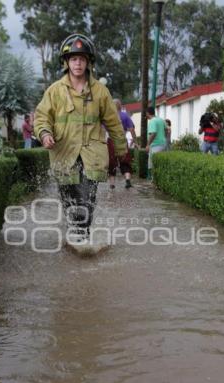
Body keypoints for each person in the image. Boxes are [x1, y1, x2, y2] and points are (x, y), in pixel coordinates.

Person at [34, 33, 127, 241]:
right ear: (66, 62)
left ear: (88, 63)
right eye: (74, 59)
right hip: (63, 155)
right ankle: (74, 236)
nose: (78, 63)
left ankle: (81, 238)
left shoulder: (101, 91)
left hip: (91, 155)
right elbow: (41, 117)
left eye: (82, 59)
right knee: (69, 201)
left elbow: (113, 122)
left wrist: (121, 150)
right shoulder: (54, 91)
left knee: (86, 198)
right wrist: (45, 133)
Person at [108, 99, 139, 190]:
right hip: (122, 140)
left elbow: (101, 130)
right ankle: (128, 180)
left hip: (111, 141)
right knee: (125, 161)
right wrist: (136, 142)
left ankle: (112, 184)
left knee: (111, 163)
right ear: (120, 106)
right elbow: (132, 130)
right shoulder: (125, 116)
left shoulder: (108, 116)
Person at [146, 106, 166, 177]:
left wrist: (148, 145)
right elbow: (167, 130)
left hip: (155, 145)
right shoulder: (161, 120)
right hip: (163, 144)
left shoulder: (152, 121)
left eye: (146, 114)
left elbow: (153, 133)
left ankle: (154, 180)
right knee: (161, 165)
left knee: (153, 165)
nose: (146, 116)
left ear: (148, 113)